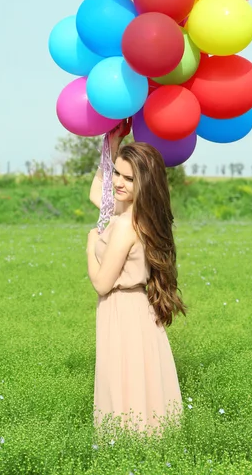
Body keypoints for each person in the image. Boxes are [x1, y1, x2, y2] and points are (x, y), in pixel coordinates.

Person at [86, 122, 187, 438]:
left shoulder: (126, 226)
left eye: (129, 178)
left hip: (122, 307)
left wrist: (90, 245)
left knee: (122, 375)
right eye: (117, 173)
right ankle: (145, 442)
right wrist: (111, 146)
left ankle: (128, 442)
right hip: (135, 306)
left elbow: (102, 283)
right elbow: (96, 192)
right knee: (137, 374)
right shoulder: (135, 213)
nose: (118, 183)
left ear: (144, 183)